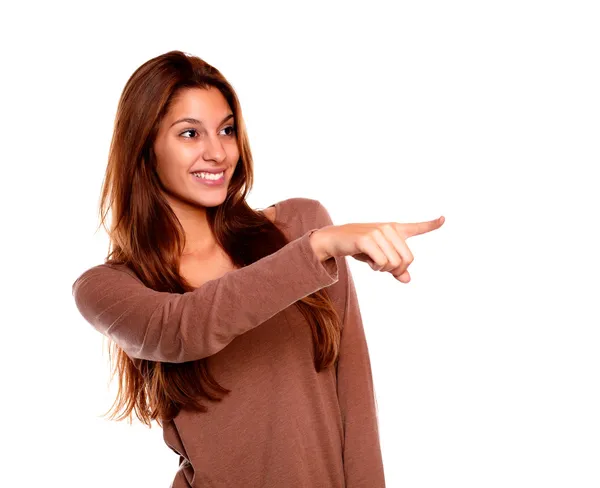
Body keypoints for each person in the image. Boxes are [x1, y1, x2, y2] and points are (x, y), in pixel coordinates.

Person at [71, 50, 444, 488]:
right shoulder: (108, 287)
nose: (217, 152)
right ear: (146, 149)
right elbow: (183, 328)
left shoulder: (299, 226)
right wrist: (318, 248)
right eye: (190, 133)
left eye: (226, 130)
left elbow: (355, 401)